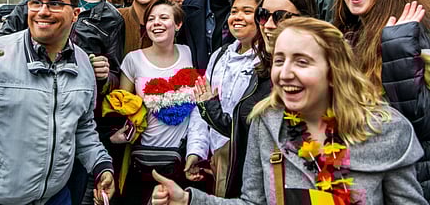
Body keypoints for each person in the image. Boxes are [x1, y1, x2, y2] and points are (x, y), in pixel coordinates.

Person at [150, 17, 427, 204]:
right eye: (279, 60)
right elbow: (252, 202)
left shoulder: (387, 130)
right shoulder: (267, 121)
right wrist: (188, 199)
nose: (284, 73)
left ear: (334, 71)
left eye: (302, 62)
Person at [0, 0, 116, 205]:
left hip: (55, 198)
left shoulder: (84, 65)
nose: (43, 11)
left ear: (75, 14)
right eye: (36, 2)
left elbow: (83, 128)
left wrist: (101, 166)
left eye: (55, 4)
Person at [0, 0, 125, 204]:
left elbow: (118, 74)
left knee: (66, 192)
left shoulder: (112, 18)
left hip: (73, 123)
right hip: (25, 110)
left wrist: (106, 76)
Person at [190, 0, 317, 199]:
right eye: (263, 15)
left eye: (280, 16)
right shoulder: (261, 70)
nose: (268, 24)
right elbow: (247, 132)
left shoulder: (323, 73)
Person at [333, 0, 430, 200]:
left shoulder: (414, 28)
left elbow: (419, 121)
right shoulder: (344, 36)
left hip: (412, 176)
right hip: (364, 171)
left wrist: (397, 49)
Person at [118, 0, 206, 204]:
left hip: (181, 159)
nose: (156, 23)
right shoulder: (133, 59)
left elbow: (200, 107)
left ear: (178, 24)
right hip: (143, 158)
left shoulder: (189, 53)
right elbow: (121, 108)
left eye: (164, 17)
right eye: (151, 19)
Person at [185, 0, 265, 196]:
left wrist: (209, 106)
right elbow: (200, 107)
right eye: (234, 11)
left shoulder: (267, 62)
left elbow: (247, 123)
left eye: (247, 11)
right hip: (217, 158)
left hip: (250, 158)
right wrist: (195, 151)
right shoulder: (220, 56)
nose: (238, 17)